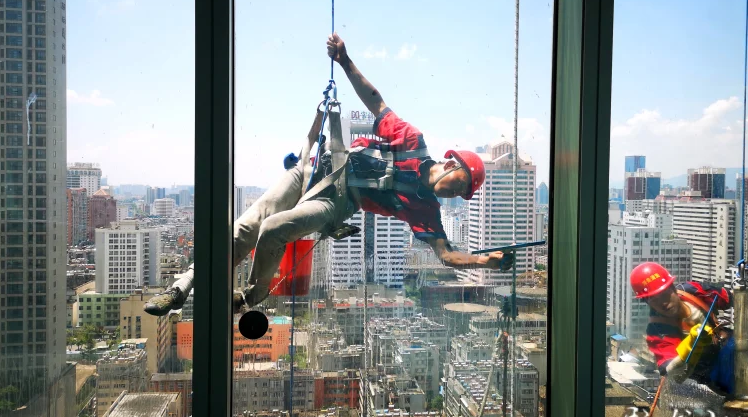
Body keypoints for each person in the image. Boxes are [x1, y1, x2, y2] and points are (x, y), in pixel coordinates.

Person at [145, 33, 511, 316]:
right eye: (460, 185)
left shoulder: (425, 210)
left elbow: (446, 255)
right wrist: (346, 60)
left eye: (461, 194)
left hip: (336, 201)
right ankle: (180, 289)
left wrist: (484, 261)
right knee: (243, 229)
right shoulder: (412, 142)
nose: (453, 195)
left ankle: (248, 298)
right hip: (315, 168)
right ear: (451, 164)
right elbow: (376, 102)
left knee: (273, 229)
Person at [631, 261, 748, 405]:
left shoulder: (693, 291)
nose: (663, 303)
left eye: (664, 294)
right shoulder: (658, 332)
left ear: (672, 288)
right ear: (647, 302)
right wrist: (691, 346)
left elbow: (739, 298)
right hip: (722, 375)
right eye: (654, 300)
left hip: (740, 349)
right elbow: (674, 374)